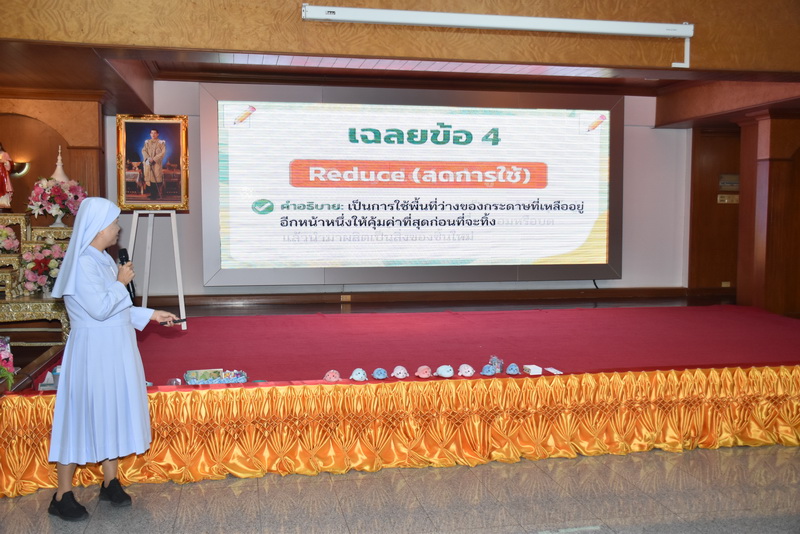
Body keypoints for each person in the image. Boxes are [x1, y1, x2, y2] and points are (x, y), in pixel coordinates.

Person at [47, 197, 179, 521]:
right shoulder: (81, 263)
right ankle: (62, 495)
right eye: (114, 222)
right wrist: (121, 282)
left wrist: (152, 315)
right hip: (93, 351)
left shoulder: (104, 259)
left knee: (111, 410)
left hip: (116, 347)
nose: (118, 228)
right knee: (81, 416)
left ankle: (110, 482)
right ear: (98, 227)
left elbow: (119, 308)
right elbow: (100, 308)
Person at [141, 129, 166, 200]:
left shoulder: (161, 143)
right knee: (149, 178)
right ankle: (152, 194)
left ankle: (155, 195)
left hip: (156, 163)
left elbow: (163, 153)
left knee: (155, 178)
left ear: (158, 134)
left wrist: (154, 159)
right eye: (152, 133)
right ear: (150, 134)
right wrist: (148, 158)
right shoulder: (147, 142)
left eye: (155, 133)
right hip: (148, 162)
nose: (153, 134)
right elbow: (144, 150)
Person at [0, 142, 13, 209]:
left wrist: (6, 163)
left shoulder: (5, 154)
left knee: (4, 189)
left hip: (3, 175)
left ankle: (4, 203)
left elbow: (10, 164)